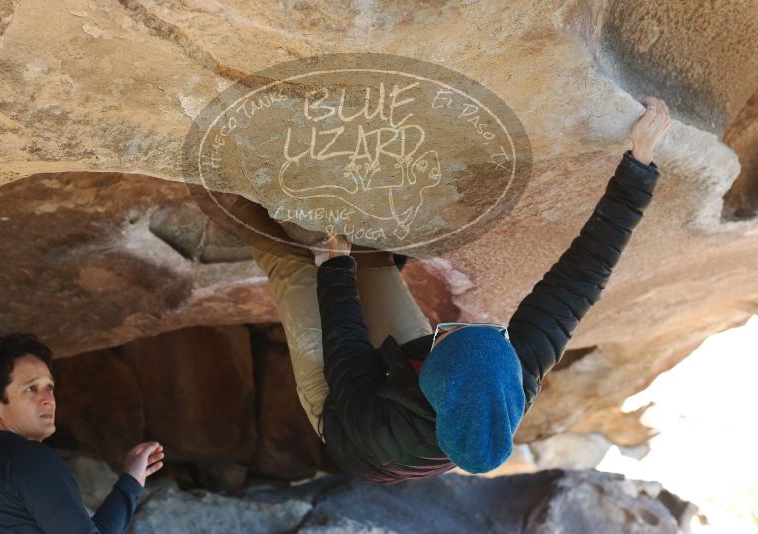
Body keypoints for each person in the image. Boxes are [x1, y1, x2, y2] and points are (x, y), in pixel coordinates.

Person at [226, 96, 671, 483]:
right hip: (422, 392)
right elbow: (579, 282)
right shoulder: (511, 377)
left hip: (352, 423)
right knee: (374, 261)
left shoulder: (379, 426)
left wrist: (336, 267)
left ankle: (216, 186)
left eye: (441, 337)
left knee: (296, 272)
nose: (437, 327)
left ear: (429, 374)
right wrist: (640, 167)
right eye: (454, 329)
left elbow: (347, 346)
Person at [0, 333, 165, 533]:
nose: (49, 399)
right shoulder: (29, 459)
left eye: (49, 386)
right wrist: (130, 486)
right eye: (31, 389)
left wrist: (131, 481)